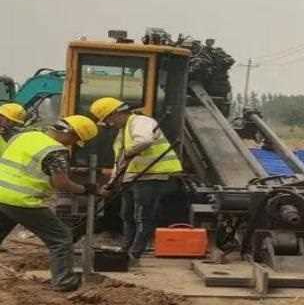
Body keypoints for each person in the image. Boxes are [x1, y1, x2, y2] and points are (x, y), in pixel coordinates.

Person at [0, 115, 98, 291]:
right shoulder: (56, 152)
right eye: (75, 139)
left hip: (1, 194)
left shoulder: (26, 135)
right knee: (61, 238)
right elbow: (61, 183)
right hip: (22, 200)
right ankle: (64, 282)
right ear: (71, 133)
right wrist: (85, 189)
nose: (72, 143)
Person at [89, 97, 182, 266]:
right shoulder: (122, 132)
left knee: (142, 216)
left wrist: (130, 152)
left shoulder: (140, 121)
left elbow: (144, 141)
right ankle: (126, 249)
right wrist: (112, 182)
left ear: (116, 113)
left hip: (151, 175)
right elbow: (120, 161)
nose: (109, 124)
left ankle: (135, 253)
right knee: (127, 214)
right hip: (133, 178)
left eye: (108, 120)